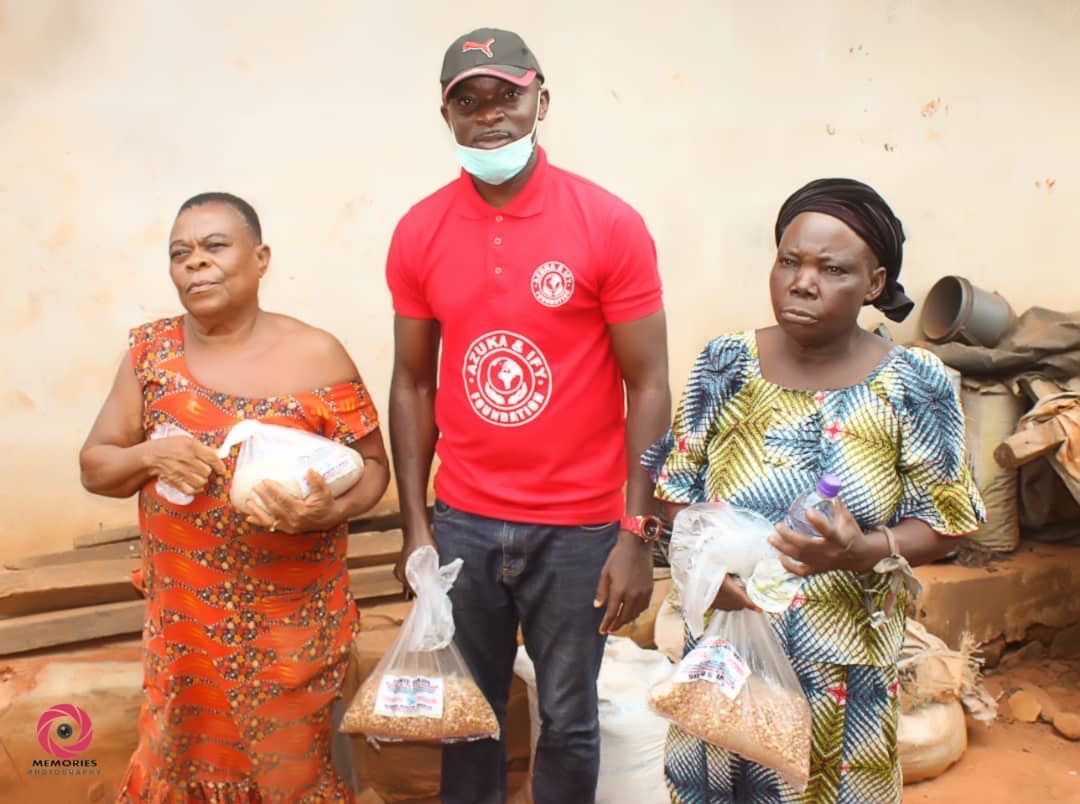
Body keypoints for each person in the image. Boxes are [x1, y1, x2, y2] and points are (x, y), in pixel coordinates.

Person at [385, 27, 671, 804]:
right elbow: (413, 384)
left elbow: (648, 385)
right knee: (467, 717)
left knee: (570, 718)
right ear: (446, 117)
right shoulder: (420, 231)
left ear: (540, 98)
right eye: (468, 102)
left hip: (578, 529)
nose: (490, 117)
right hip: (468, 522)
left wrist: (635, 533)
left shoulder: (607, 223)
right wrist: (417, 526)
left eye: (506, 96)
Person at [643, 178, 985, 803]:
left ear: (874, 284)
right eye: (789, 261)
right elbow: (677, 486)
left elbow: (950, 519)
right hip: (728, 656)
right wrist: (701, 562)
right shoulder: (725, 364)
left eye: (832, 268)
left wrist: (862, 548)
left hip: (844, 667)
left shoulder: (914, 384)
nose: (802, 282)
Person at [79, 192, 390, 802]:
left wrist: (332, 510)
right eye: (180, 253)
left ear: (261, 257)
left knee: (289, 774)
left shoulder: (317, 354)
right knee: (182, 765)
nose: (196, 263)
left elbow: (374, 468)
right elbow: (96, 464)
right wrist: (148, 454)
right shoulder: (151, 355)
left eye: (215, 246)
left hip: (290, 628)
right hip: (186, 633)